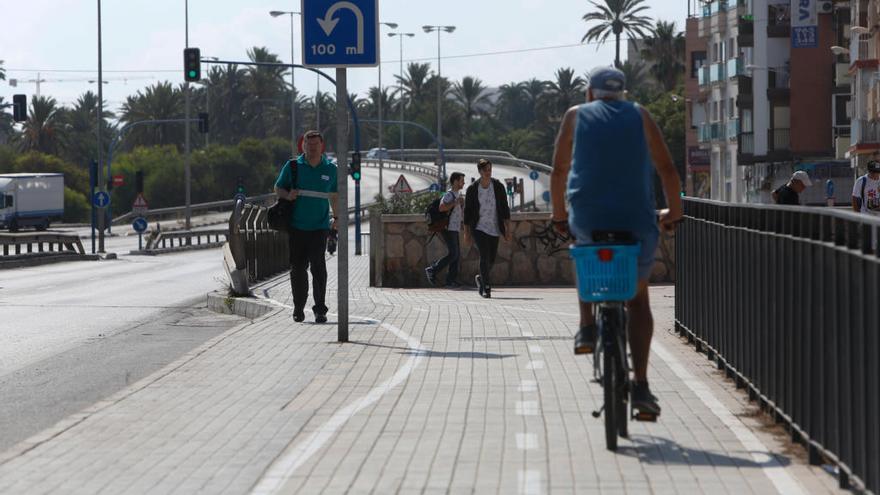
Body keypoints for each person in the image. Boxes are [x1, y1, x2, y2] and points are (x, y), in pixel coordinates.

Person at [550, 66, 682, 416]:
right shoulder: (640, 115)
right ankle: (640, 386)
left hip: (589, 218)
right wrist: (674, 213)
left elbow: (559, 171)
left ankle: (586, 328)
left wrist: (560, 217)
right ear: (623, 94)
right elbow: (667, 169)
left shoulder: (575, 116)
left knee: (581, 250)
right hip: (636, 220)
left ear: (590, 94)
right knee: (637, 301)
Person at [274, 130, 339, 323]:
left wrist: (337, 217)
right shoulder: (293, 166)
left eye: (315, 144)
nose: (312, 148)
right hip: (296, 226)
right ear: (303, 146)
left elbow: (335, 196)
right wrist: (287, 195)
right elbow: (278, 187)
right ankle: (298, 308)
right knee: (298, 269)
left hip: (319, 227)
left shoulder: (330, 169)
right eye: (308, 145)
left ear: (322, 146)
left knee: (319, 268)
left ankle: (320, 309)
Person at [463, 159, 512, 298]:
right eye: (485, 170)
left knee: (491, 259)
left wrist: (507, 229)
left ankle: (480, 278)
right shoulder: (473, 189)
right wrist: (467, 233)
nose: (488, 172)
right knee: (484, 256)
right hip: (479, 227)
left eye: (490, 170)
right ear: (480, 171)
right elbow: (467, 212)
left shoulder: (497, 186)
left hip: (494, 227)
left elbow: (504, 208)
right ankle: (487, 288)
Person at [426, 172, 466, 288]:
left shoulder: (457, 195)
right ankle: (432, 270)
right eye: (461, 180)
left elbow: (456, 213)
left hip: (454, 228)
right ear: (455, 181)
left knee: (456, 255)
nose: (463, 183)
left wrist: (461, 221)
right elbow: (441, 207)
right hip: (448, 228)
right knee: (453, 254)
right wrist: (455, 203)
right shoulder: (449, 195)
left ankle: (450, 280)